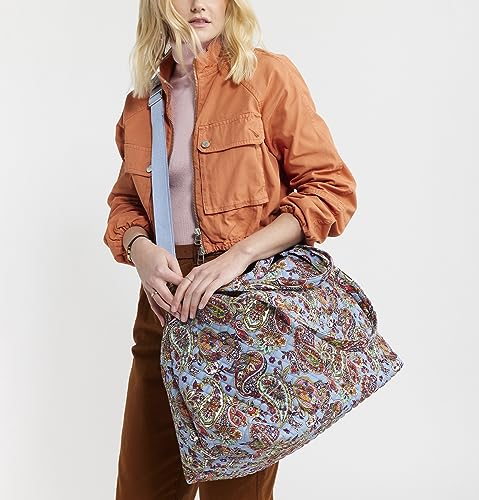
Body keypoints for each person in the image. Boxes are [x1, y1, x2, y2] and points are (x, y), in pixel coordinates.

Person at [103, 0, 358, 498]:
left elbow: (331, 188)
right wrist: (140, 249)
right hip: (162, 313)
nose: (199, 4)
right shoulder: (141, 103)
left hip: (244, 319)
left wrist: (239, 256)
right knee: (141, 490)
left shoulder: (267, 77)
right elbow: (125, 203)